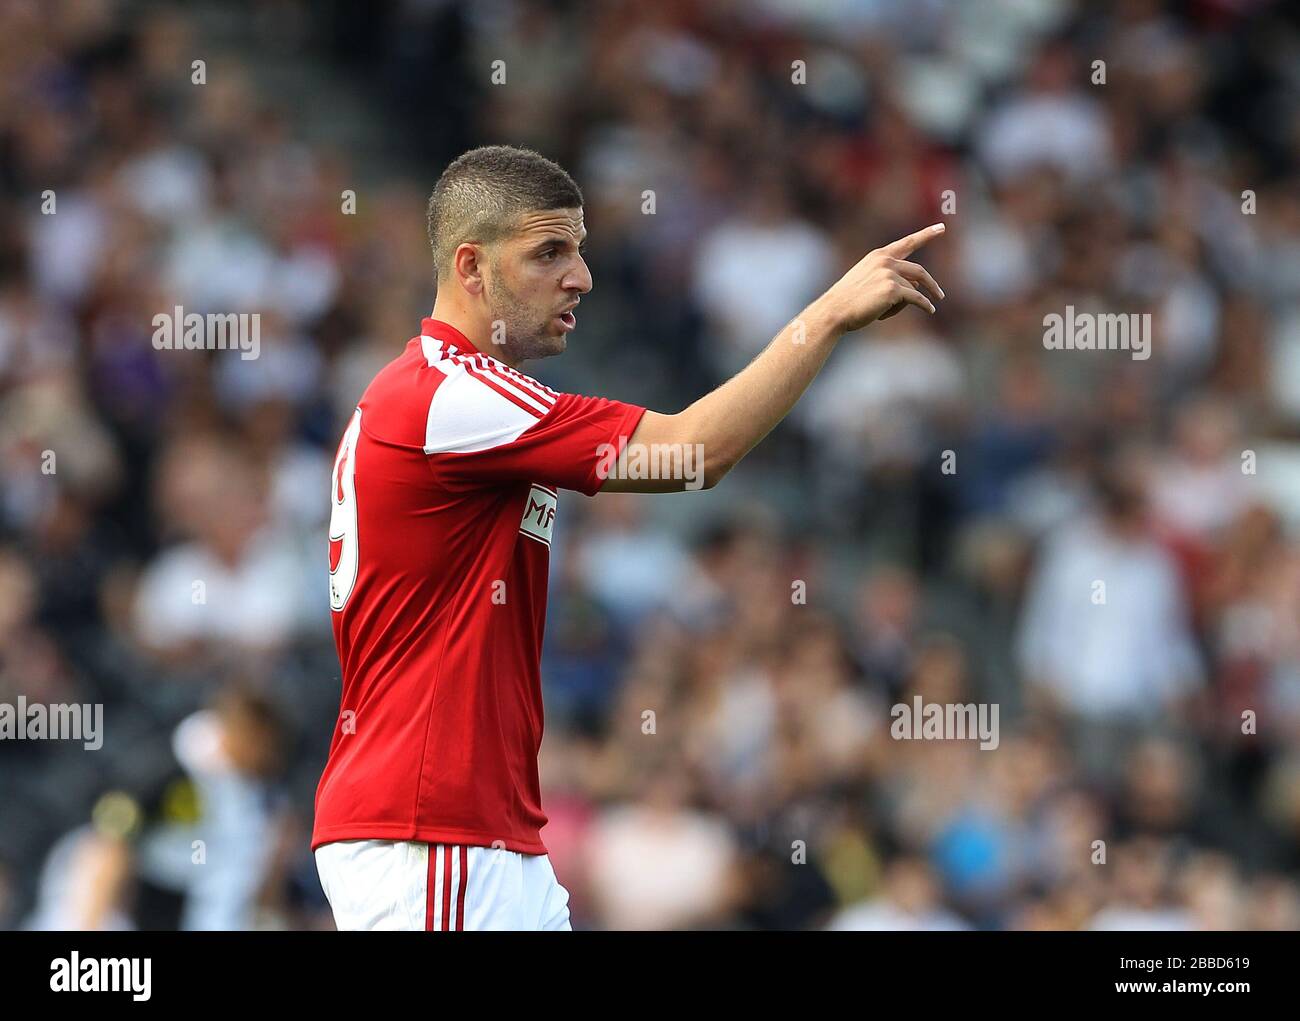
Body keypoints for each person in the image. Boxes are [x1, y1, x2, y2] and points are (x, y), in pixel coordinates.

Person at [312, 144, 945, 931]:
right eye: (549, 252)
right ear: (470, 267)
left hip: (481, 835)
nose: (579, 276)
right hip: (432, 832)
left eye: (579, 250)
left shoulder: (441, 396)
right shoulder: (451, 395)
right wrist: (824, 318)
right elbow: (695, 453)